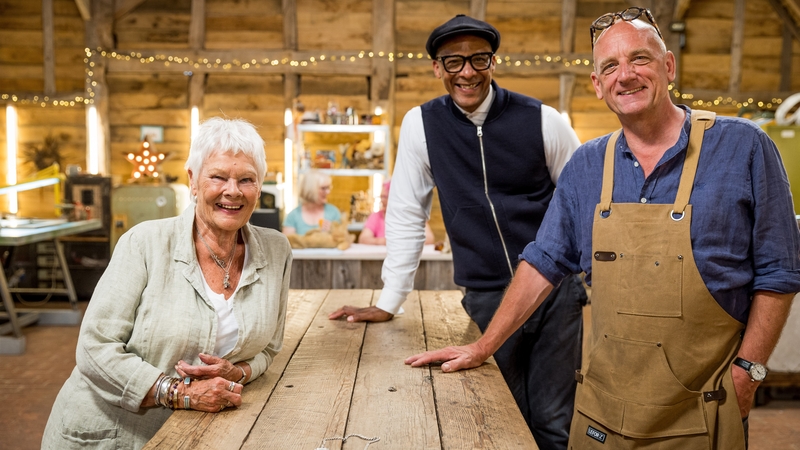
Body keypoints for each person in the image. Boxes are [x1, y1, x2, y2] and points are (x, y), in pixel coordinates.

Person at [406, 7, 800, 449]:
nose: (625, 75)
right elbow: (544, 261)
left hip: (705, 409)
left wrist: (749, 373)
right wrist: (483, 347)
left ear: (669, 66)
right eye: (610, 66)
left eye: (639, 59)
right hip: (605, 411)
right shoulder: (588, 164)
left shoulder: (744, 147)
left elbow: (779, 272)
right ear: (597, 85)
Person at [330, 15, 587, 450]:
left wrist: (587, 279)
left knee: (552, 422)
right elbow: (407, 213)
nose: (467, 71)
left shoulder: (544, 120)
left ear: (493, 62)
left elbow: (582, 203)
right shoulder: (421, 125)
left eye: (478, 59)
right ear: (437, 68)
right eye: (453, 62)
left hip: (554, 295)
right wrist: (391, 299)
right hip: (486, 295)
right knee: (499, 415)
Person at [42, 117, 293, 449]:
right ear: (193, 180)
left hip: (196, 436)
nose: (232, 191)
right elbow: (94, 347)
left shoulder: (276, 250)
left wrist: (239, 372)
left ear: (259, 187)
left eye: (246, 179)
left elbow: (270, 347)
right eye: (218, 177)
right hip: (112, 433)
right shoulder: (144, 244)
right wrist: (179, 392)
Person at [358, 178, 435, 245]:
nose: (382, 200)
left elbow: (429, 238)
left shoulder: (413, 215)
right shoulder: (376, 216)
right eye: (381, 197)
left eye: (385, 197)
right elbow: (363, 239)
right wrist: (387, 242)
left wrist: (399, 243)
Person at [282, 170, 341, 236]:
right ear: (310, 189)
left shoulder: (333, 212)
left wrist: (333, 231)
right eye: (323, 188)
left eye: (328, 188)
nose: (328, 192)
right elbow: (288, 241)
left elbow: (342, 239)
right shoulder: (293, 216)